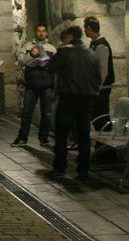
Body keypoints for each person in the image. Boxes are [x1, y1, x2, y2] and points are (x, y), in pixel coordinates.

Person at [46, 25, 101, 179]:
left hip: (68, 97)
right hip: (87, 98)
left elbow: (51, 68)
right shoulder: (91, 53)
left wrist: (59, 50)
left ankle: (60, 167)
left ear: (70, 37)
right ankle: (83, 170)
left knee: (62, 133)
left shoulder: (65, 52)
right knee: (84, 134)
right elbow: (98, 78)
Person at [12, 23, 56, 147]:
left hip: (46, 84)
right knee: (27, 112)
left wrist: (47, 65)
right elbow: (20, 61)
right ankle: (22, 137)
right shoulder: (28, 46)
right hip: (31, 84)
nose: (41, 33)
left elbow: (56, 65)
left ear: (46, 33)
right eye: (38, 31)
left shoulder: (52, 48)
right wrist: (31, 55)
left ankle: (44, 137)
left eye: (43, 31)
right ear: (35, 32)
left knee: (47, 113)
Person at [84, 16, 115, 130]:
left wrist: (96, 88)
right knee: (96, 117)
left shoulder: (101, 46)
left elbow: (102, 70)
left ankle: (106, 146)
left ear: (88, 28)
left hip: (100, 89)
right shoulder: (94, 43)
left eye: (85, 28)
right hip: (96, 88)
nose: (84, 30)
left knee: (101, 118)